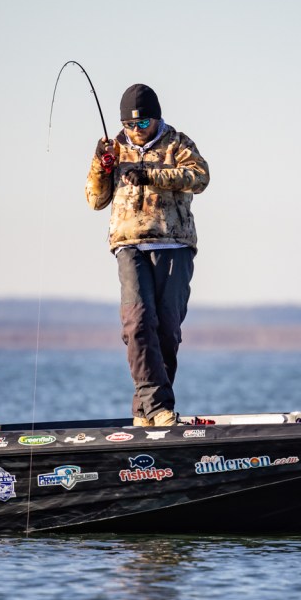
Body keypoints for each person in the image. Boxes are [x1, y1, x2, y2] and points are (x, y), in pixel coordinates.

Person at [85, 84, 210, 427]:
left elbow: (200, 177)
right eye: (129, 125)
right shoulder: (114, 149)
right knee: (137, 323)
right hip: (129, 245)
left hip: (174, 244)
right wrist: (100, 165)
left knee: (167, 330)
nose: (136, 130)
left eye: (143, 124)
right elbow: (95, 200)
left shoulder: (178, 143)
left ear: (156, 119)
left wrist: (149, 175)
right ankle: (158, 408)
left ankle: (145, 413)